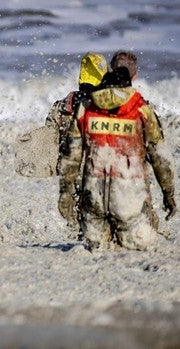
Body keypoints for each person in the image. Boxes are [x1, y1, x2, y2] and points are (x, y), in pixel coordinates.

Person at [58, 50, 175, 251]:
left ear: (109, 70)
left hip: (94, 198)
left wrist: (65, 193)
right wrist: (169, 194)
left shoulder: (87, 106)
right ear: (135, 76)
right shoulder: (141, 108)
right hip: (129, 199)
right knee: (138, 247)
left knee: (96, 249)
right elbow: (160, 158)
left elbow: (71, 157)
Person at [45, 52, 108, 229]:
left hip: (69, 170)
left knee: (77, 212)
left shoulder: (61, 106)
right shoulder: (102, 107)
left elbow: (50, 139)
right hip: (95, 168)